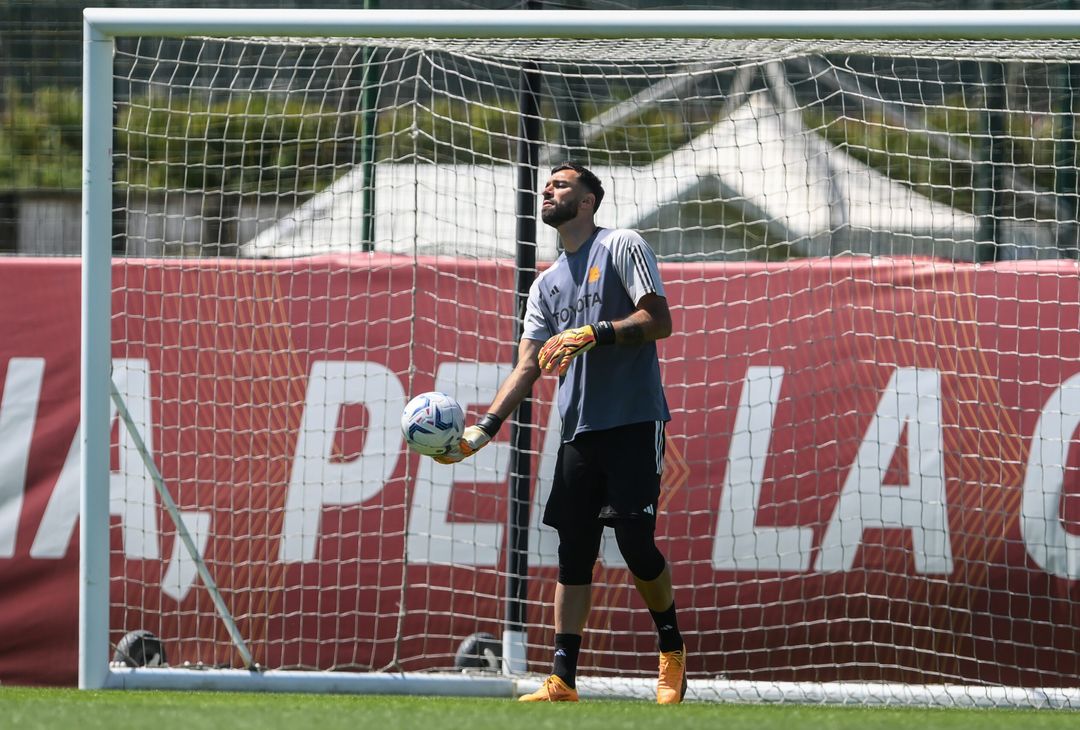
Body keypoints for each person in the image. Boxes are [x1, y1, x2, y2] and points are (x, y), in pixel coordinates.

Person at [434, 163, 686, 704]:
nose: (548, 190)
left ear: (591, 200)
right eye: (546, 185)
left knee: (635, 544)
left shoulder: (622, 245)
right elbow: (527, 365)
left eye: (562, 184)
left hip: (634, 421)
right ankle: (562, 679)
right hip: (577, 432)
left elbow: (659, 321)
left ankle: (670, 649)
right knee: (572, 553)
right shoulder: (544, 285)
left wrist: (594, 333)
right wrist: (482, 430)